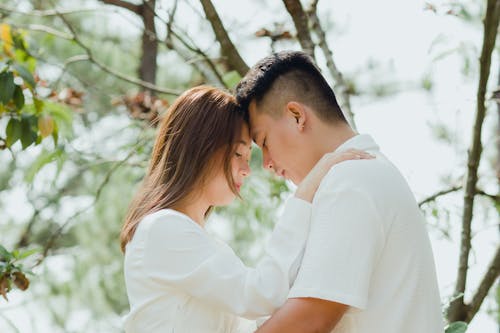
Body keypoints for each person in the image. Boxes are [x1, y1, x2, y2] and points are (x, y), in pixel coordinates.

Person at [120, 85, 372, 332]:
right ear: (202, 148)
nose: (247, 169)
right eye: (238, 153)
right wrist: (304, 194)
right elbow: (261, 295)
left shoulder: (199, 242)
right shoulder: (163, 228)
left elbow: (255, 320)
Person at [235, 50, 443, 333]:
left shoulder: (351, 179)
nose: (268, 164)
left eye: (265, 142)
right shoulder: (366, 173)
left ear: (297, 116)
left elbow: (310, 318)